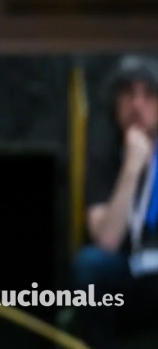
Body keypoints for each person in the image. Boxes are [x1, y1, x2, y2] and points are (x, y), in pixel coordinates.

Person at [73, 55, 158, 348]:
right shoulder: (105, 155)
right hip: (127, 269)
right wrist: (132, 168)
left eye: (149, 94)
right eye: (128, 94)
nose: (138, 105)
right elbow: (107, 241)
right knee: (89, 265)